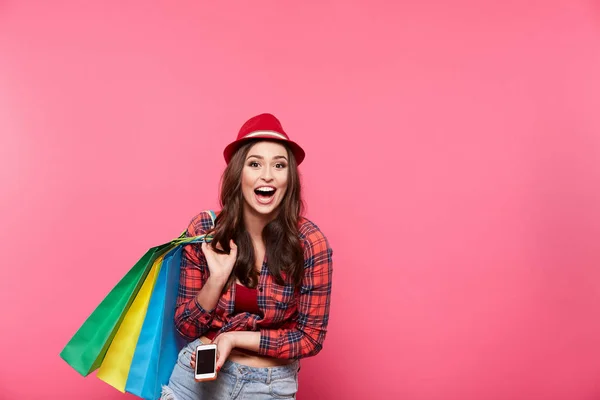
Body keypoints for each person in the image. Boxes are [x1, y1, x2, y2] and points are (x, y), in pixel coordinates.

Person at [161, 113, 334, 400]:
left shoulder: (309, 243)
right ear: (238, 173)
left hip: (268, 384)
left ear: (289, 178)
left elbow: (310, 337)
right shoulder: (205, 230)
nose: (267, 175)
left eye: (279, 165)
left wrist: (232, 339)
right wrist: (216, 280)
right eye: (255, 164)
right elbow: (185, 326)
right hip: (196, 380)